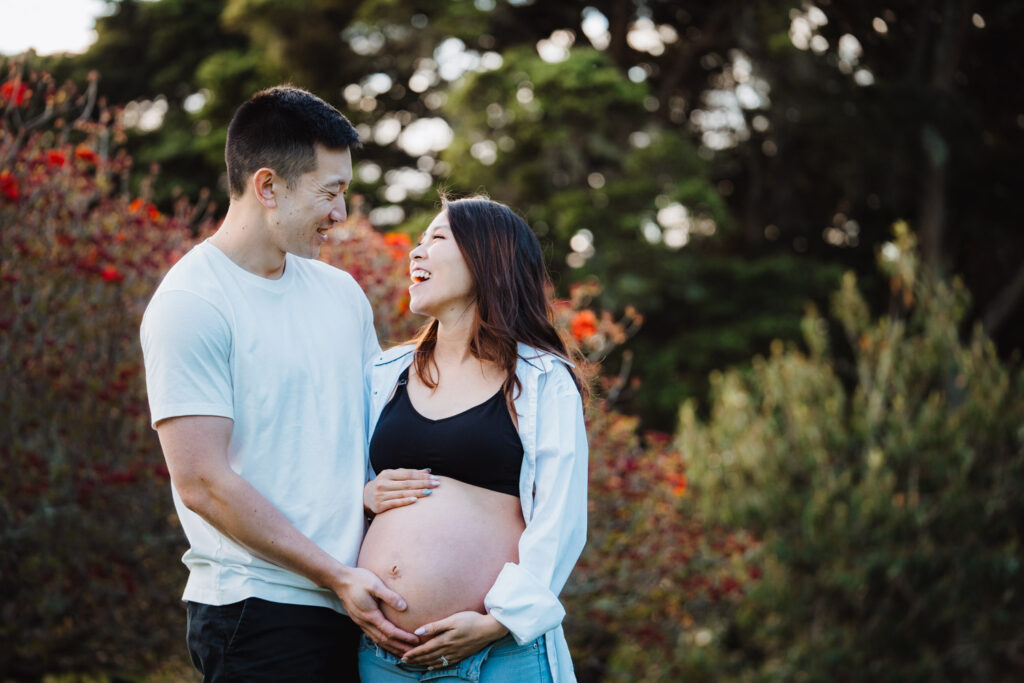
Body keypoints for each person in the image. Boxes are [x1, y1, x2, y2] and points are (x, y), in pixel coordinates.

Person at [140, 85, 418, 681]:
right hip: (257, 615)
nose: (341, 214)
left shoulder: (340, 294)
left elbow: (365, 428)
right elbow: (202, 482)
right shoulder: (192, 302)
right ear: (268, 187)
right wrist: (333, 573)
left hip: (356, 602)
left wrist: (365, 494)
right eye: (331, 192)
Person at [356, 196, 590, 682]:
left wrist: (499, 622)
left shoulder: (542, 378)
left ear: (488, 258)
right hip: (382, 657)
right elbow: (332, 479)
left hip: (497, 657)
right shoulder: (383, 373)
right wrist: (361, 496)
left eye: (436, 239)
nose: (416, 253)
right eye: (416, 242)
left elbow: (561, 517)